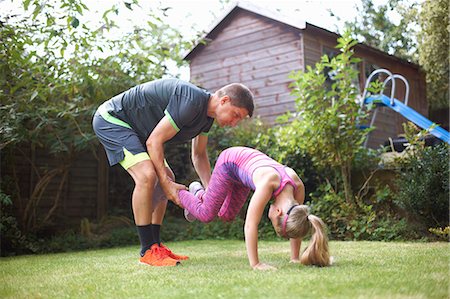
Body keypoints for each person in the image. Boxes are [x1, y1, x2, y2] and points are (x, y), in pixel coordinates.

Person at [92, 79, 254, 267]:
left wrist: (212, 192)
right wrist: (167, 187)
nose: (234, 123)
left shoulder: (206, 119)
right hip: (112, 119)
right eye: (235, 115)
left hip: (138, 132)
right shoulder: (191, 101)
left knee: (166, 177)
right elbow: (154, 142)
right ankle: (147, 251)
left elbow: (199, 155)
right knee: (147, 176)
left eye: (238, 120)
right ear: (224, 100)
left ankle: (156, 247)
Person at [173, 146, 331, 270]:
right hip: (230, 163)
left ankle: (200, 195)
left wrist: (295, 258)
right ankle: (177, 190)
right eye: (274, 223)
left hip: (243, 174)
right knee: (206, 214)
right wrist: (256, 264)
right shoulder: (268, 183)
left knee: (226, 215)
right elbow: (250, 224)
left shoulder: (297, 193)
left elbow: (296, 222)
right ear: (278, 212)